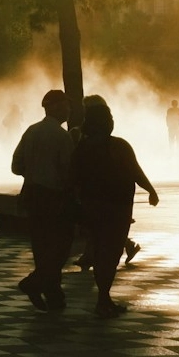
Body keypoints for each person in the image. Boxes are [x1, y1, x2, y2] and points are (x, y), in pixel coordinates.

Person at [67, 95, 158, 318]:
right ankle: (103, 299)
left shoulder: (82, 148)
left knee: (99, 251)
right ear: (106, 122)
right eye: (109, 117)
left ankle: (104, 297)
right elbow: (136, 171)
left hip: (92, 207)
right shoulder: (118, 146)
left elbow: (73, 178)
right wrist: (151, 190)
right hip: (117, 208)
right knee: (111, 252)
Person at [12, 90, 74, 311]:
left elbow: (16, 166)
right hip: (53, 197)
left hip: (31, 195)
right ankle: (34, 283)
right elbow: (68, 170)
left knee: (41, 246)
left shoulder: (31, 131)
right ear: (55, 107)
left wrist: (34, 172)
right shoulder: (61, 136)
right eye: (65, 105)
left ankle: (53, 294)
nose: (68, 110)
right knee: (61, 247)